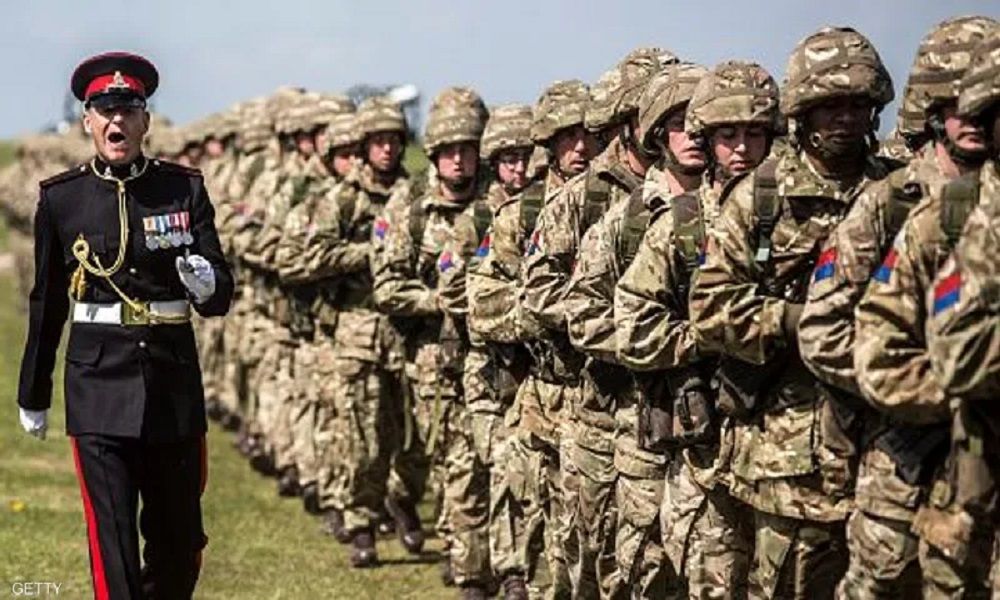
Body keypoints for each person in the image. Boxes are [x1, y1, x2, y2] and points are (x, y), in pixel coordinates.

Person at [688, 27, 897, 599]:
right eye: (830, 105)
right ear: (802, 111)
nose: (846, 118)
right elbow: (710, 307)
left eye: (857, 104)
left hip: (889, 446)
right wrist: (794, 320)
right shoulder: (761, 199)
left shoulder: (899, 192)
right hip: (790, 458)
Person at [16, 52, 234, 599]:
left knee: (180, 543)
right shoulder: (62, 198)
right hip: (98, 384)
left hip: (170, 383)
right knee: (111, 541)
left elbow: (220, 294)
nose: (117, 122)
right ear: (87, 121)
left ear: (145, 121)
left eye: (128, 111)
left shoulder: (183, 189)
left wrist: (206, 281)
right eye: (105, 111)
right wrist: (33, 392)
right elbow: (47, 302)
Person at [798, 16, 997, 599]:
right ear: (933, 111)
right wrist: (953, 395)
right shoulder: (894, 205)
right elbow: (826, 333)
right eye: (953, 104)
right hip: (904, 468)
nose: (970, 119)